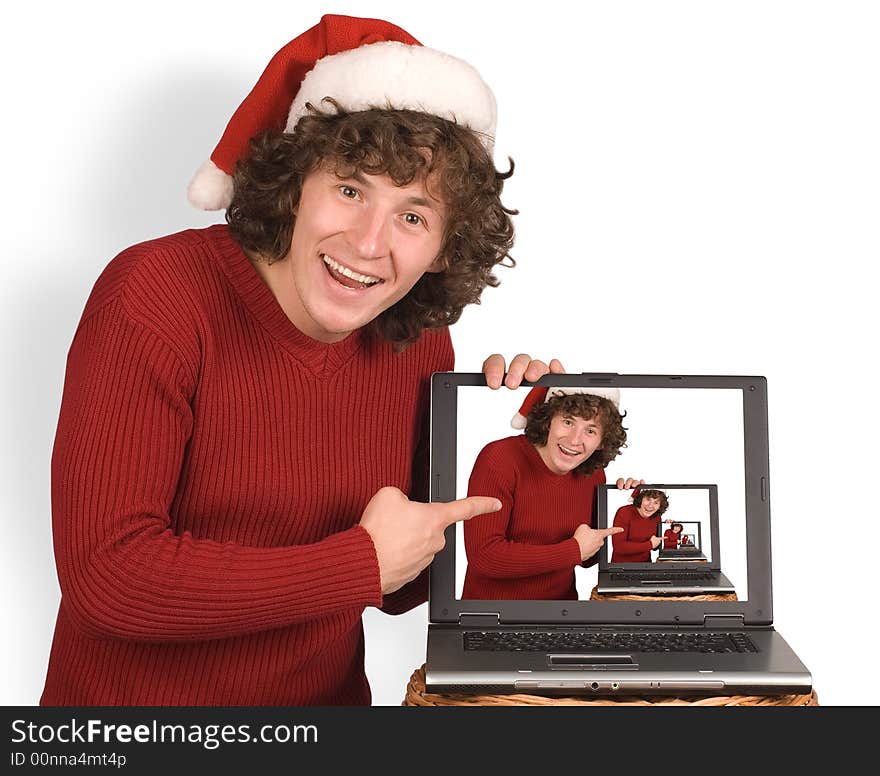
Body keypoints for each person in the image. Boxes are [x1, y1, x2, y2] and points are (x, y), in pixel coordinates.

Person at [40, 14, 563, 706]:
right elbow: (110, 579)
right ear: (292, 187)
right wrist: (356, 563)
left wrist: (506, 447)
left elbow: (401, 585)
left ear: (444, 247)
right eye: (350, 190)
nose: (369, 243)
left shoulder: (418, 341)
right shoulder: (156, 296)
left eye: (413, 216)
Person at [462, 386, 642, 600]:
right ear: (548, 420)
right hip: (493, 615)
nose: (575, 440)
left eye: (590, 430)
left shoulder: (593, 475)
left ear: (602, 441)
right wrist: (572, 551)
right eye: (568, 422)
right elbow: (484, 556)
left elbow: (587, 558)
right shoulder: (500, 458)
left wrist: (624, 506)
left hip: (562, 614)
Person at [610, 488, 670, 563]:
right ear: (641, 499)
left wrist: (669, 528)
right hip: (621, 567)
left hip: (645, 566)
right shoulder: (624, 512)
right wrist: (649, 545)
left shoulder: (656, 517)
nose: (650, 505)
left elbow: (655, 545)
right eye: (648, 499)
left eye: (656, 502)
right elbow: (619, 547)